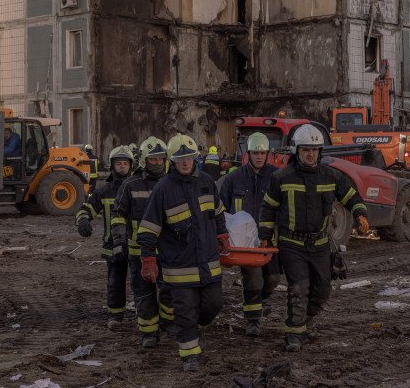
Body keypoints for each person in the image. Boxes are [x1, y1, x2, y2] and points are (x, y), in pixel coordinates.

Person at [259, 124, 370, 352]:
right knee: (298, 288)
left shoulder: (332, 176)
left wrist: (360, 213)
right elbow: (268, 209)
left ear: (320, 152)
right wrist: (265, 237)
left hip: (320, 245)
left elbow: (351, 195)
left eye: (315, 150)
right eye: (306, 150)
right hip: (291, 244)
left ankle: (304, 323)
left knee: (322, 290)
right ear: (296, 151)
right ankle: (293, 335)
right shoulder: (281, 178)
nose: (311, 154)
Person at [137, 134, 229, 372]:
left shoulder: (207, 182)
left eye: (189, 158)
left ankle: (189, 326)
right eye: (180, 159)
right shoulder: (163, 190)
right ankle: (190, 355)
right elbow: (148, 229)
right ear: (172, 161)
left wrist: (222, 235)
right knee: (186, 312)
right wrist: (148, 258)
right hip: (178, 269)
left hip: (208, 263)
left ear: (195, 158)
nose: (185, 163)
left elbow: (218, 212)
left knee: (214, 304)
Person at [110, 137, 173, 348]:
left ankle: (167, 324)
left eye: (161, 159)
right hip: (138, 251)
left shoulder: (173, 182)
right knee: (143, 293)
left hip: (168, 251)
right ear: (144, 160)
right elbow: (118, 215)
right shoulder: (130, 184)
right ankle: (148, 334)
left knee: (169, 291)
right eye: (153, 159)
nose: (157, 163)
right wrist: (119, 241)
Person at [219, 132, 280, 337]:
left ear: (268, 154)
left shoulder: (276, 177)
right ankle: (253, 321)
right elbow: (221, 210)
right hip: (245, 241)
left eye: (263, 153)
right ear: (248, 154)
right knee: (253, 279)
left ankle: (258, 304)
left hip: (268, 237)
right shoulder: (233, 179)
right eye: (255, 153)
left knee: (272, 278)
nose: (259, 157)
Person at [75, 145, 134, 329]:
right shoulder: (103, 190)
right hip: (112, 245)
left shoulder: (138, 187)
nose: (122, 167)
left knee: (141, 284)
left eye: (125, 163)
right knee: (115, 282)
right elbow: (87, 209)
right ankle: (116, 316)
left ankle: (146, 316)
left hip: (136, 244)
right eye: (119, 164)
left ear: (131, 166)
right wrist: (83, 221)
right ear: (112, 166)